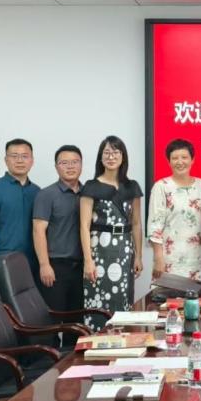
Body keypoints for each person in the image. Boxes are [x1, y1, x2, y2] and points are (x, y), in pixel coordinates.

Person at [80, 136, 143, 329]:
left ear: (123, 157)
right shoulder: (91, 186)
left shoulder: (132, 187)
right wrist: (88, 260)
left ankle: (123, 339)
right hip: (99, 251)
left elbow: (136, 223)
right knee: (98, 297)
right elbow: (84, 226)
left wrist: (139, 256)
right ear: (100, 157)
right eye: (106, 152)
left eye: (115, 152)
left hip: (124, 250)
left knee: (123, 296)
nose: (111, 157)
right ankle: (97, 338)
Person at [32, 145, 84, 345]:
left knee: (76, 322)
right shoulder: (47, 194)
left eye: (75, 162)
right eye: (64, 162)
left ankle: (72, 359)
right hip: (55, 267)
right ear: (56, 167)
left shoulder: (88, 193)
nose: (70, 166)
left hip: (81, 268)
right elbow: (38, 230)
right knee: (52, 321)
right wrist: (44, 264)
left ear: (81, 164)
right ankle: (48, 361)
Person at [147, 139, 201, 282]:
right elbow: (155, 226)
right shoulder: (161, 187)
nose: (180, 162)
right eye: (175, 158)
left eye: (184, 157)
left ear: (192, 160)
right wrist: (158, 258)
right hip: (169, 261)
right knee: (167, 296)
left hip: (198, 260)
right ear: (169, 161)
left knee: (196, 296)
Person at [0, 138, 40, 268]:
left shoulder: (37, 192)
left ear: (32, 160)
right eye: (14, 156)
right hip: (4, 261)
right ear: (6, 160)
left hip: (34, 262)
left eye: (25, 156)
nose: (19, 160)